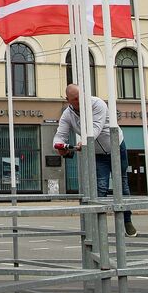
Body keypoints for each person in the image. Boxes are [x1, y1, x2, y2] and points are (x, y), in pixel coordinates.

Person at [53, 84, 135, 237]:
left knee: (121, 184)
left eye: (80, 97)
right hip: (97, 153)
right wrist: (59, 146)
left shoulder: (97, 104)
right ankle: (99, 226)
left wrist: (83, 141)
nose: (78, 102)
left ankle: (127, 220)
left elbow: (95, 128)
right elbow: (60, 134)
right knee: (100, 187)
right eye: (75, 100)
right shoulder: (67, 114)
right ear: (68, 100)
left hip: (116, 147)